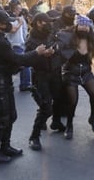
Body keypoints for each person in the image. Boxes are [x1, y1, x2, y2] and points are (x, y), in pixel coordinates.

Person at [0, 10, 53, 163]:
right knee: (3, 118)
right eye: (6, 22)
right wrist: (37, 52)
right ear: (0, 24)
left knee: (11, 116)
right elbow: (17, 59)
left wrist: (33, 57)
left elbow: (10, 62)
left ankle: (5, 146)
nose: (10, 24)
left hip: (2, 81)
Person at [57, 15, 94, 139]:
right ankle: (69, 125)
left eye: (86, 26)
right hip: (70, 73)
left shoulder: (92, 40)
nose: (84, 28)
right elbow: (58, 47)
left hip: (86, 73)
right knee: (73, 101)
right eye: (81, 25)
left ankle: (93, 118)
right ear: (77, 26)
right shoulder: (69, 38)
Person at [25, 13, 65, 150]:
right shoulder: (31, 40)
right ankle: (34, 137)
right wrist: (41, 54)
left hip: (55, 72)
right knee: (46, 107)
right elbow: (27, 59)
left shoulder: (51, 33)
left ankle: (56, 122)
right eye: (46, 22)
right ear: (38, 23)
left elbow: (59, 42)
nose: (49, 24)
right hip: (41, 76)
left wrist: (54, 49)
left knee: (59, 99)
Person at [6, 0, 32, 91]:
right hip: (13, 45)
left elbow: (24, 32)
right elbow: (12, 30)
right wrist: (20, 23)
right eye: (18, 8)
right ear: (13, 8)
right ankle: (24, 84)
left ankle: (24, 84)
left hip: (20, 45)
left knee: (23, 64)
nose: (20, 10)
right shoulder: (10, 18)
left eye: (20, 8)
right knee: (23, 64)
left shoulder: (20, 18)